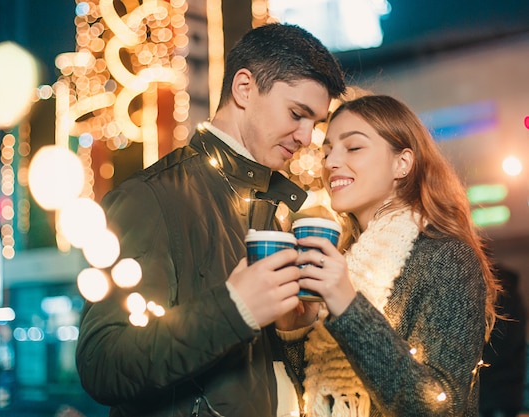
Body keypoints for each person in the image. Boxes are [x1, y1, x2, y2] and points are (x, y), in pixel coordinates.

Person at [75, 23, 346, 417]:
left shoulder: (270, 210)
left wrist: (292, 328)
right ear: (244, 88)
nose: (307, 137)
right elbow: (101, 363)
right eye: (297, 114)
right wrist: (235, 308)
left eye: (315, 123)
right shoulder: (149, 197)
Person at [277, 94, 500, 416]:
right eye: (326, 151)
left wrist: (348, 307)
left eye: (352, 147)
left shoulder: (446, 257)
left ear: (402, 163)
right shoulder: (345, 260)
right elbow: (311, 398)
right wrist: (294, 330)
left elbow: (440, 407)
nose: (330, 162)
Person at [479, 263, 526, 417]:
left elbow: (498, 348)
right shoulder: (510, 297)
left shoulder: (501, 300)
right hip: (504, 391)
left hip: (496, 393)